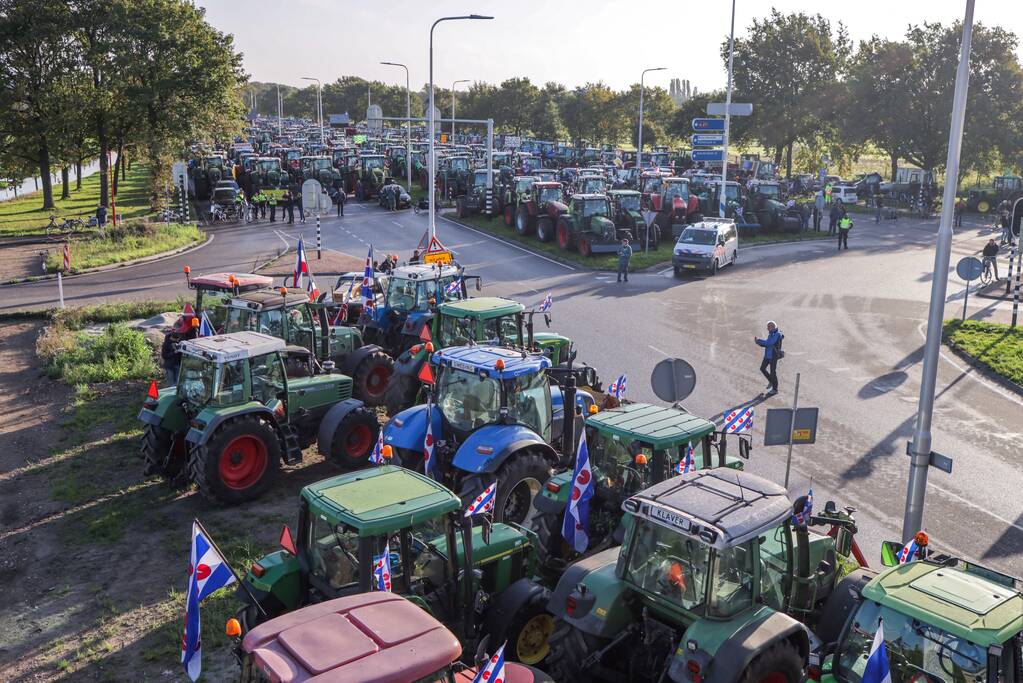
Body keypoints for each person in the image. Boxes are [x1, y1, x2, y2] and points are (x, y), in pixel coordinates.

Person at [755, 321, 783, 396]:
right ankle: (771, 381)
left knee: (773, 372)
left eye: (768, 327)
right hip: (767, 355)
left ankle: (775, 389)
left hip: (773, 356)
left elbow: (769, 343)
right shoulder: (771, 334)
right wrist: (759, 343)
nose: (767, 328)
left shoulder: (777, 334)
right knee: (762, 368)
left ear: (773, 327)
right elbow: (767, 344)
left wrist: (759, 340)